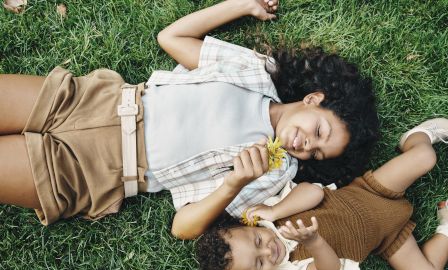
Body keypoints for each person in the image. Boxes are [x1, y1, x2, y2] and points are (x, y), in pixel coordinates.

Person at [0, 0, 377, 236]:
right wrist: (241, 5)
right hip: (90, 102)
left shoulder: (273, 172)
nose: (306, 146)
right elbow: (172, 37)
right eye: (319, 132)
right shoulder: (256, 72)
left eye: (315, 154)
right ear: (313, 100)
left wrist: (234, 183)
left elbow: (183, 227)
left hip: (94, 170)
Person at [196, 118, 448, 270]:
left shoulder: (270, 213)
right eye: (259, 263)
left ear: (247, 226)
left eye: (258, 240)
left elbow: (314, 192)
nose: (268, 250)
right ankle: (445, 227)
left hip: (370, 192)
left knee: (425, 157)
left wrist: (276, 211)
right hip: (387, 238)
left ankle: (417, 137)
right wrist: (314, 241)